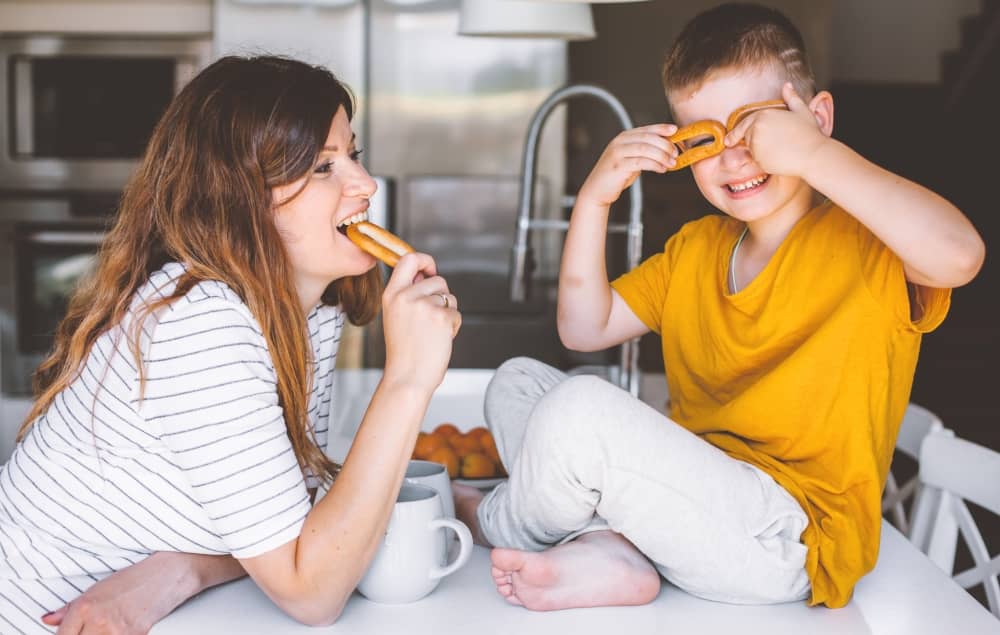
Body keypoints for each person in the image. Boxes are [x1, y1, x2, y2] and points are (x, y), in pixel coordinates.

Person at [453, 2, 985, 611]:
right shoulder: (695, 251)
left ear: (817, 118)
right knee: (518, 382)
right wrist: (595, 200)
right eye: (705, 139)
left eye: (757, 127)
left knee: (579, 411)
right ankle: (613, 548)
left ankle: (494, 518)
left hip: (787, 539)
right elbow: (583, 328)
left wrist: (811, 154)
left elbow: (960, 255)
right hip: (690, 504)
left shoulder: (871, 244)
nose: (734, 156)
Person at [0, 55, 461, 634]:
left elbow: (289, 530)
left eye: (353, 154)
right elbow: (312, 592)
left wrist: (182, 570)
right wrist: (409, 378)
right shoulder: (203, 325)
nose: (365, 185)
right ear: (239, 199)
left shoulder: (310, 311)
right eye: (322, 167)